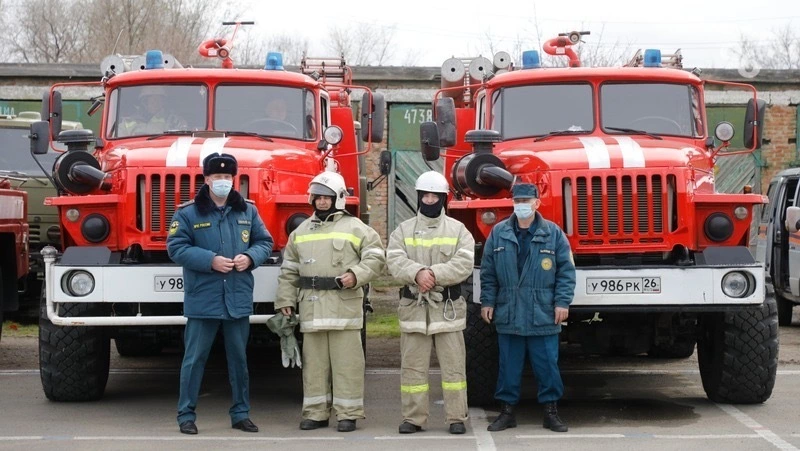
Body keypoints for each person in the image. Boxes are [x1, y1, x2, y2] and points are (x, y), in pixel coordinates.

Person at [167, 152, 274, 435]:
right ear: (207, 179)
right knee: (194, 359)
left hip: (237, 298)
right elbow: (176, 247)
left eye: (228, 177)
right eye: (218, 177)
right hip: (204, 298)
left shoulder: (247, 210)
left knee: (239, 360)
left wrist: (250, 257)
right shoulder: (187, 213)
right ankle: (186, 415)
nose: (223, 181)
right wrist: (210, 260)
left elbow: (265, 241)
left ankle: (240, 413)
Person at [275, 171, 385, 433]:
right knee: (314, 366)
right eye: (318, 197)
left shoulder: (357, 228)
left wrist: (355, 275)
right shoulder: (300, 232)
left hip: (343, 308)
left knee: (347, 365)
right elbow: (289, 270)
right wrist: (285, 301)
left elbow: (376, 258)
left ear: (338, 199)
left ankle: (348, 414)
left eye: (327, 197)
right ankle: (315, 412)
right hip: (312, 308)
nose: (322, 202)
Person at [479, 183, 576, 433]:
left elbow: (566, 271)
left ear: (537, 203)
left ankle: (551, 412)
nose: (522, 205)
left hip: (542, 312)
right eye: (518, 200)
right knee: (508, 366)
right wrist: (487, 301)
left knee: (547, 366)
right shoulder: (498, 233)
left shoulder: (553, 234)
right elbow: (488, 273)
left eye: (526, 200)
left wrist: (562, 302)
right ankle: (507, 412)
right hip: (509, 310)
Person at [386, 171, 474, 435]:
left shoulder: (459, 230)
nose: (430, 199)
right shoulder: (403, 229)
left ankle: (456, 418)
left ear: (443, 198)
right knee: (412, 369)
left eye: (435, 195)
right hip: (414, 311)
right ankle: (413, 418)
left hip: (447, 312)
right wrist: (417, 273)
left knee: (454, 368)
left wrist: (433, 275)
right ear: (418, 197)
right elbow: (394, 260)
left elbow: (464, 263)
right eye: (425, 195)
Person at [119, 86, 187, 136]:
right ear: (144, 102)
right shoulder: (127, 122)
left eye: (159, 100)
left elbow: (181, 142)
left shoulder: (174, 121)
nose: (156, 103)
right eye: (153, 100)